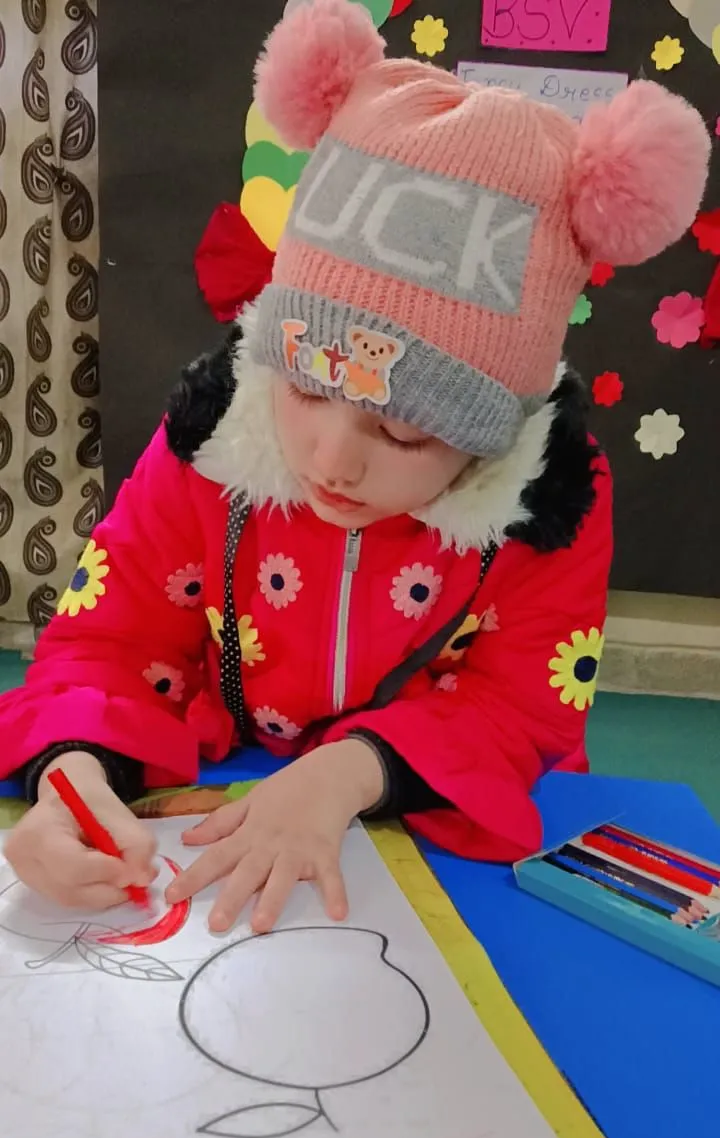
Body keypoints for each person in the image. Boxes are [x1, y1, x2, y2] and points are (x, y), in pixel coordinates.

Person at [0, 0, 709, 933]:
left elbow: (525, 711)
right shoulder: (212, 443)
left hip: (430, 823)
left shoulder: (549, 502)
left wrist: (351, 769)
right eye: (303, 386)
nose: (331, 461)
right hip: (221, 800)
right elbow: (105, 639)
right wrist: (73, 766)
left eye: (404, 433)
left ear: (490, 433)